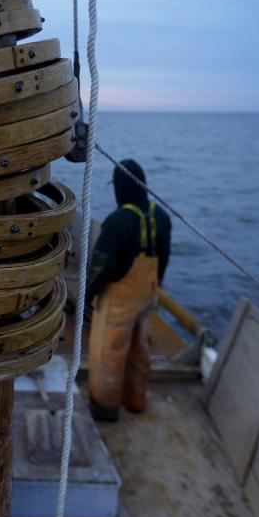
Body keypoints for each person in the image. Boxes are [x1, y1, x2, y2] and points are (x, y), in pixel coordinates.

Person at [87, 159, 171, 422]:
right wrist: (156, 287)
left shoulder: (117, 222)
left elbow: (101, 266)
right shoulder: (162, 216)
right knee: (139, 350)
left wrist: (88, 296)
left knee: (109, 352)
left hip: (120, 299)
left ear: (120, 187)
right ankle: (135, 399)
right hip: (147, 294)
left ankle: (105, 407)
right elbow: (164, 258)